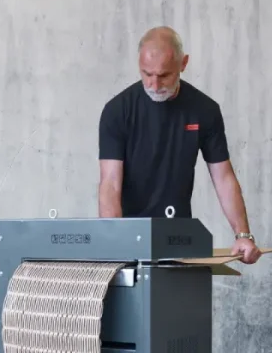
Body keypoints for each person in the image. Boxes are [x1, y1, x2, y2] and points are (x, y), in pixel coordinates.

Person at [97, 26, 261, 264]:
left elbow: (223, 177)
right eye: (147, 74)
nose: (154, 85)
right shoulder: (117, 111)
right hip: (129, 235)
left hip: (179, 239)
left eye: (164, 75)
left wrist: (243, 235)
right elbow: (110, 183)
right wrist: (116, 243)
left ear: (183, 64)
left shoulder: (205, 110)